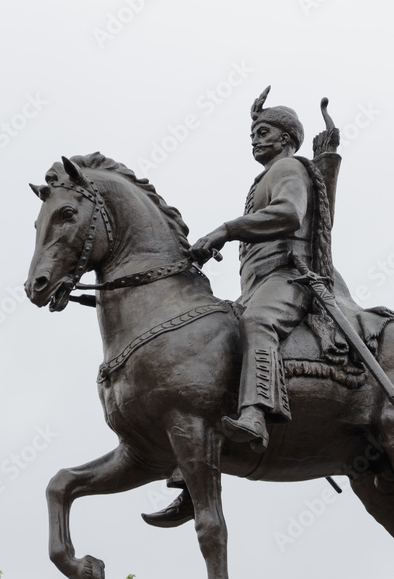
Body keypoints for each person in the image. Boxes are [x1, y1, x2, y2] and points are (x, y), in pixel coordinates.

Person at [143, 87, 335, 528]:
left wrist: (226, 231)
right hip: (256, 285)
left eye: (263, 131)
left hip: (288, 279)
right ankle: (193, 477)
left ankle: (254, 416)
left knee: (257, 326)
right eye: (252, 132)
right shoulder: (261, 179)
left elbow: (288, 215)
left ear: (287, 137)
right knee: (210, 350)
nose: (255, 139)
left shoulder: (288, 168)